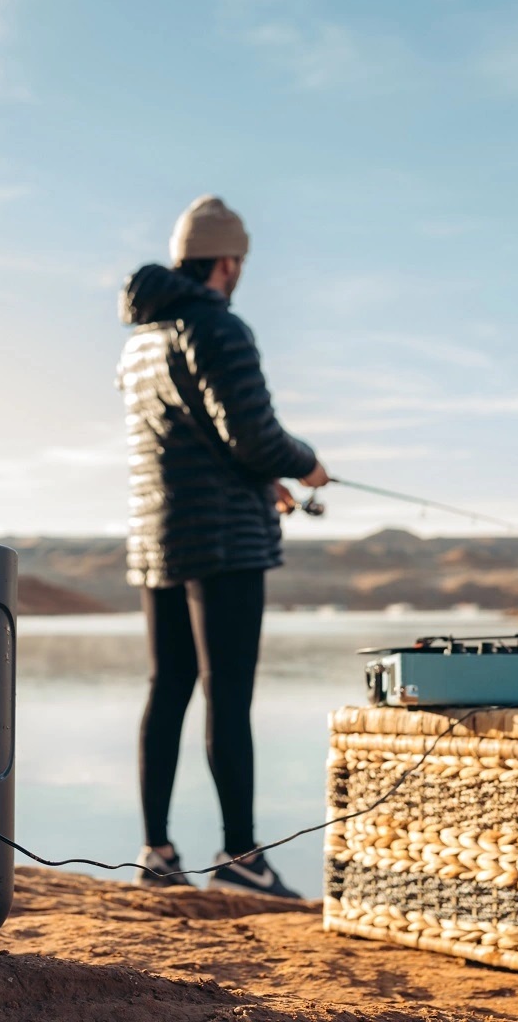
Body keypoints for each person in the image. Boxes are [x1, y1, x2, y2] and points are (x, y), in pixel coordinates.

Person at [116, 194, 328, 898]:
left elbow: (190, 439)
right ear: (227, 261)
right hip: (223, 543)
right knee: (227, 695)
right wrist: (301, 463)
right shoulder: (218, 327)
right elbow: (253, 435)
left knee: (167, 687)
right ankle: (240, 856)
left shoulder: (142, 340)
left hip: (160, 535)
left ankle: (157, 854)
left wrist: (259, 479)